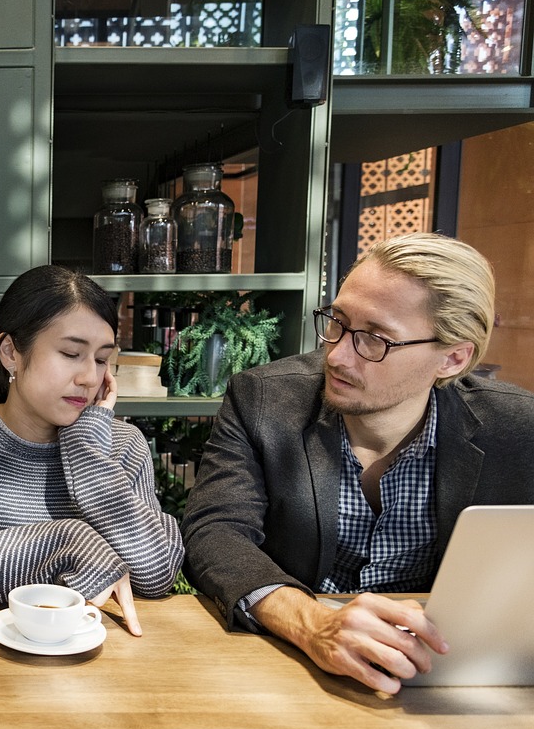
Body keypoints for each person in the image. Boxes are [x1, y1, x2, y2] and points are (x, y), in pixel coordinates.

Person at [182, 232, 534, 693]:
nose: (338, 354)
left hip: (450, 673)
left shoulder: (517, 429)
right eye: (338, 322)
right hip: (292, 666)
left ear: (452, 357)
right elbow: (215, 531)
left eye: (375, 339)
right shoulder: (266, 399)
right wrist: (310, 623)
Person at [0, 265, 184, 635]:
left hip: (99, 657)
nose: (89, 377)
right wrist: (69, 541)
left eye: (101, 359)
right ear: (10, 352)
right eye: (71, 353)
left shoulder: (121, 445)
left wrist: (85, 446)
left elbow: (156, 573)